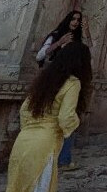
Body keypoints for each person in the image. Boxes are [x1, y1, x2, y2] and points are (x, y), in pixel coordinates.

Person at [3, 41, 92, 192]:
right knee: (38, 191)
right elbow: (66, 118)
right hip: (44, 144)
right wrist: (74, 125)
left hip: (22, 142)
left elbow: (24, 110)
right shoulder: (73, 83)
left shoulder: (44, 80)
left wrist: (30, 130)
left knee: (17, 191)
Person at [35, 10, 91, 170]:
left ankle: (62, 158)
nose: (75, 22)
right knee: (57, 116)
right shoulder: (56, 35)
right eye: (73, 19)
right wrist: (59, 43)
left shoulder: (78, 39)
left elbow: (88, 52)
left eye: (78, 20)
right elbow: (40, 56)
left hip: (70, 81)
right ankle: (57, 157)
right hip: (53, 80)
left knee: (67, 116)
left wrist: (86, 31)